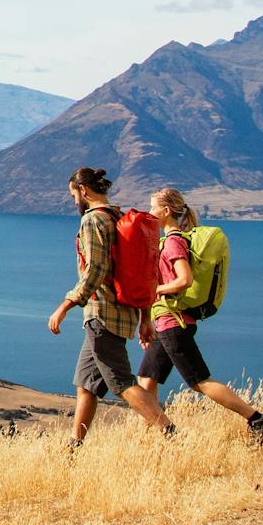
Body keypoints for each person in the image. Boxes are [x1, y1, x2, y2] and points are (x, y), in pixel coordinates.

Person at [46, 165, 176, 445]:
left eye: (73, 196)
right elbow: (142, 272)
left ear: (83, 191)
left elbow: (94, 270)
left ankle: (169, 431)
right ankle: (74, 448)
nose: (74, 203)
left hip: (101, 313)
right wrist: (144, 318)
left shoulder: (93, 220)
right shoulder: (118, 216)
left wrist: (64, 307)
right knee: (86, 385)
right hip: (123, 312)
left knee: (121, 382)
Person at [136, 186, 263, 440]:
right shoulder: (171, 240)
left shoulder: (173, 242)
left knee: (200, 381)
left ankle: (258, 420)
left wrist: (155, 290)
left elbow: (184, 280)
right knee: (146, 379)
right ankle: (154, 437)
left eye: (152, 207)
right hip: (165, 321)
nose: (149, 211)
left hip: (173, 323)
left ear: (166, 211)